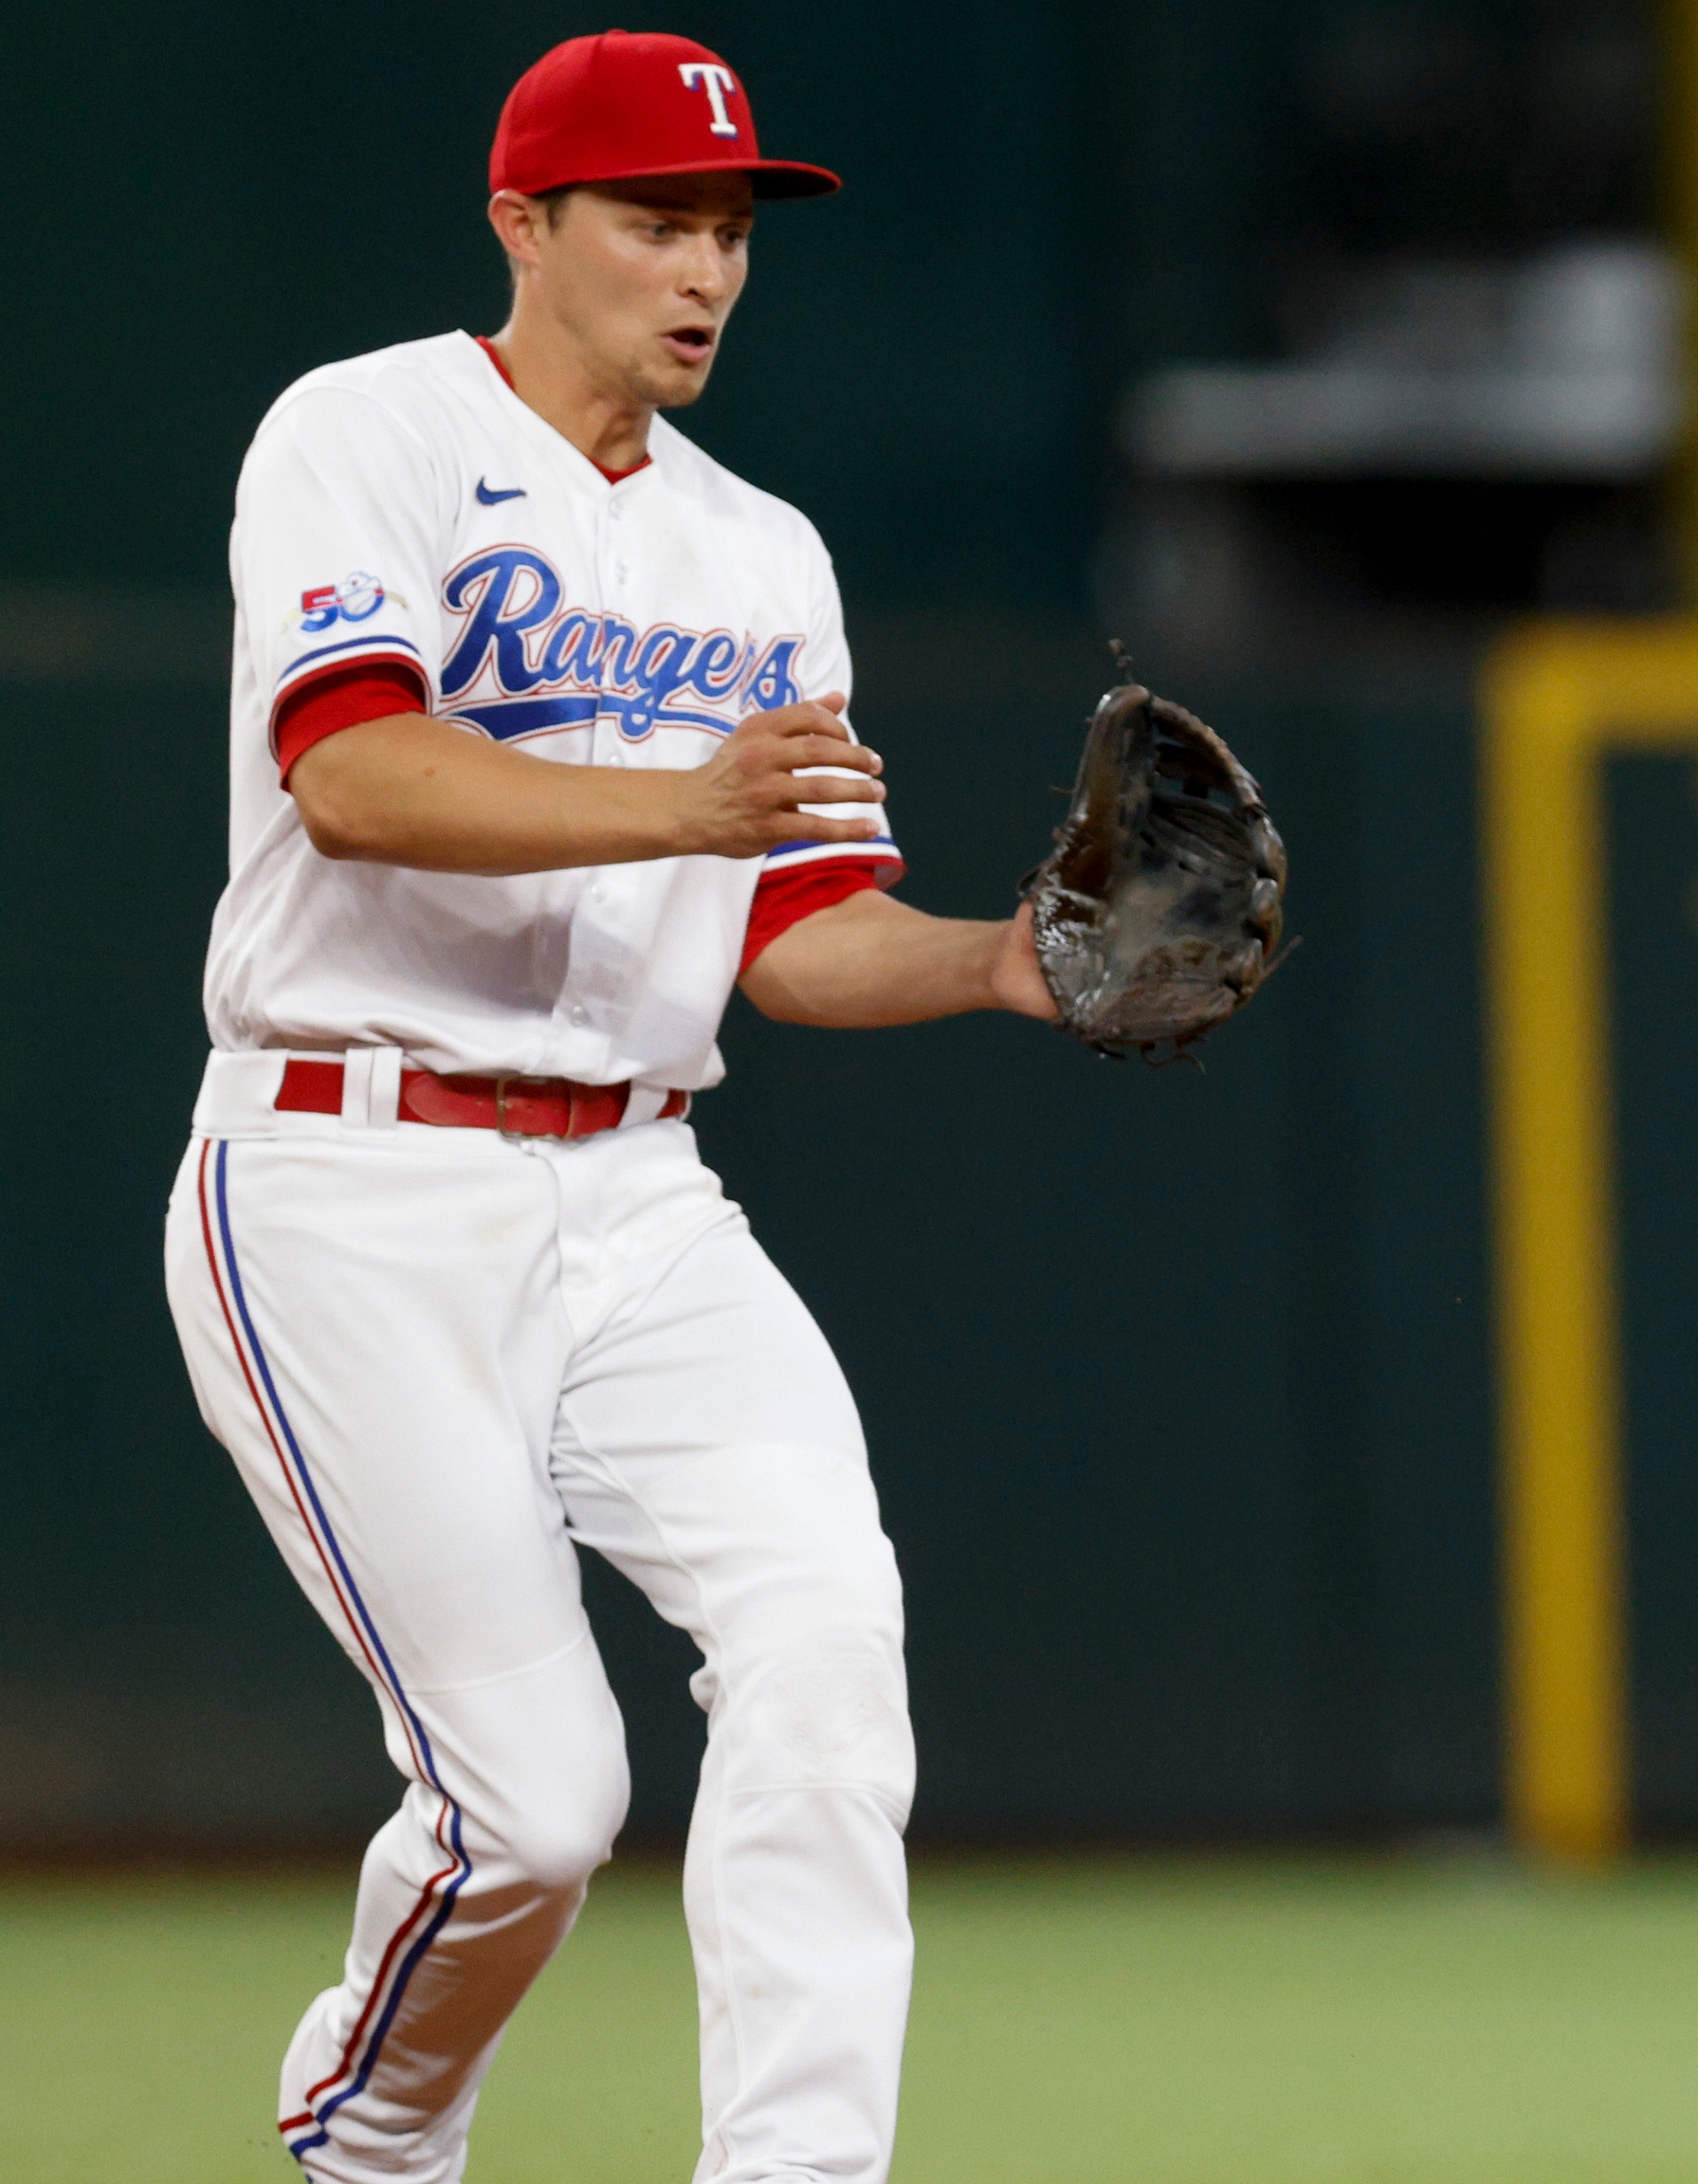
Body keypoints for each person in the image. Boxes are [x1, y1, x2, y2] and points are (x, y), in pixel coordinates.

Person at [164, 33, 1054, 2182]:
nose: (705, 270)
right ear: (524, 223)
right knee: (535, 1807)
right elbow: (353, 777)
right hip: (343, 1179)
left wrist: (1004, 957)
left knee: (828, 1649)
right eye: (655, 218)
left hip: (643, 1196)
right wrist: (685, 799)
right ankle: (368, 2140)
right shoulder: (360, 432)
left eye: (729, 229)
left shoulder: (764, 552)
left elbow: (797, 925)